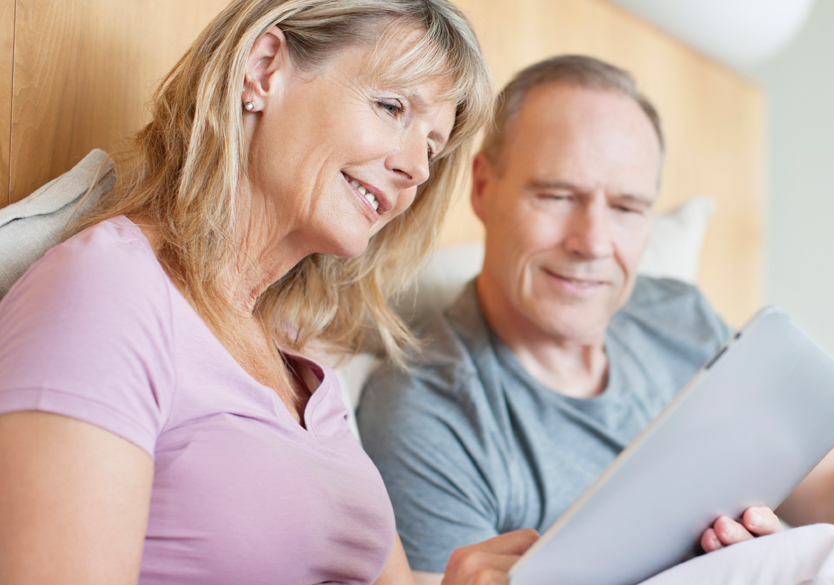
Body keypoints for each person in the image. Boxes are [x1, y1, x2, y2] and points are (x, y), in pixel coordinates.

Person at [357, 55, 834, 585]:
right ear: (483, 186)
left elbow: (825, 478)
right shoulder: (427, 411)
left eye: (627, 207)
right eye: (559, 194)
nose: (593, 241)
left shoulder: (673, 313)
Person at [0, 1, 493, 583]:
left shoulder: (303, 365)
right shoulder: (108, 292)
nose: (417, 169)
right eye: (392, 107)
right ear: (263, 70)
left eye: (432, 147)